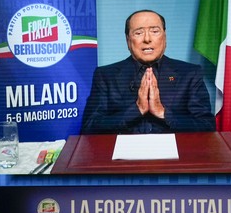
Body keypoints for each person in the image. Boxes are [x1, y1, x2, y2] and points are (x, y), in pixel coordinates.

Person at [81, 9, 215, 135]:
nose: (147, 39)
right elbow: (89, 127)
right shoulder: (105, 75)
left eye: (155, 31)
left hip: (175, 155)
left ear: (165, 37)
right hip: (124, 155)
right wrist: (136, 110)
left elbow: (207, 126)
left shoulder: (190, 73)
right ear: (128, 40)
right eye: (138, 33)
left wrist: (162, 112)